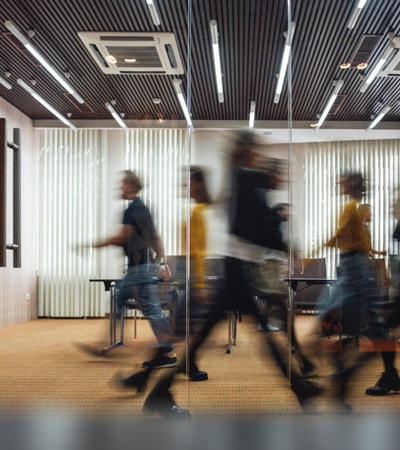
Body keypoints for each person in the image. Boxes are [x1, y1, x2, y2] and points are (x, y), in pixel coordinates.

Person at [78, 170, 176, 368]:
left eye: (122, 183)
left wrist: (91, 245)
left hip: (139, 269)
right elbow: (155, 236)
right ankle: (107, 342)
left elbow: (122, 237)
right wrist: (162, 262)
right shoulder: (143, 208)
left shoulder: (132, 210)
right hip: (140, 268)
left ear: (132, 185)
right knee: (119, 300)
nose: (119, 187)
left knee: (151, 310)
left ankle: (168, 352)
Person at [257, 203, 289, 332]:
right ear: (280, 212)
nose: (289, 214)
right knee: (273, 293)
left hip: (270, 262)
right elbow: (275, 244)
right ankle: (263, 322)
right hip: (270, 263)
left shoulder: (273, 224)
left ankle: (264, 321)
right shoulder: (273, 226)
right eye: (286, 211)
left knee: (272, 293)